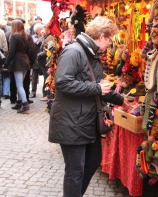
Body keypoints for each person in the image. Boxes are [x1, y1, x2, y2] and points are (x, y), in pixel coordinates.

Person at [48, 16, 131, 197]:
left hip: (84, 120)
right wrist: (96, 88)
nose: (110, 44)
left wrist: (120, 99)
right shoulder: (74, 52)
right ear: (101, 36)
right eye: (110, 39)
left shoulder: (91, 54)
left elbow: (98, 86)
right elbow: (62, 82)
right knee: (75, 170)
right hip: (70, 121)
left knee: (93, 160)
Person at [3, 20, 36, 114]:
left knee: (19, 85)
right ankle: (20, 102)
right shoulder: (26, 35)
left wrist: (6, 63)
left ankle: (25, 104)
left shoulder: (14, 36)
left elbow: (11, 52)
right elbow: (30, 49)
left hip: (18, 62)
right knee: (21, 83)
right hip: (25, 61)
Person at [30, 23, 45, 98]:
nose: (42, 30)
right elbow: (36, 43)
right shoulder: (33, 37)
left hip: (44, 58)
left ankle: (45, 92)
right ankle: (33, 91)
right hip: (36, 59)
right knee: (34, 76)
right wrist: (42, 37)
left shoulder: (45, 36)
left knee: (46, 75)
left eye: (42, 28)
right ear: (36, 30)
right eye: (40, 29)